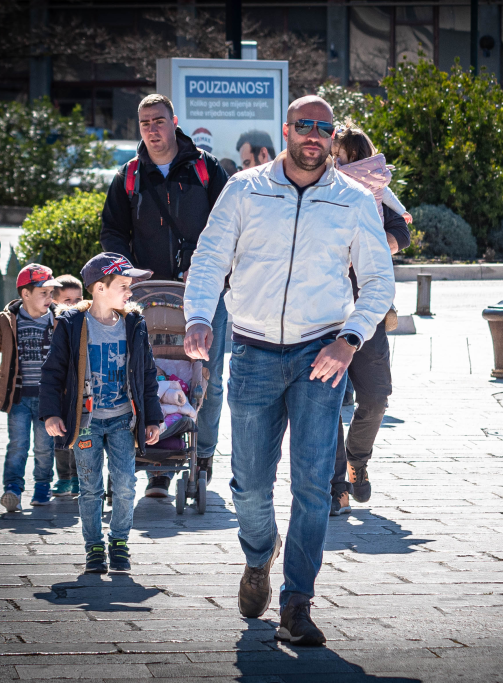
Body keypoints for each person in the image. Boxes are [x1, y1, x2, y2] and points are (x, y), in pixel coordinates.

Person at [184, 95, 394, 646]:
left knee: (312, 485)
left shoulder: (354, 199)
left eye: (324, 128)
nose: (314, 135)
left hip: (320, 355)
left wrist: (350, 339)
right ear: (287, 130)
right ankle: (259, 555)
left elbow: (379, 281)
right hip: (252, 353)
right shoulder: (244, 189)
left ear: (333, 137)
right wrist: (199, 317)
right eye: (305, 125)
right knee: (250, 484)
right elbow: (209, 259)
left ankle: (296, 602)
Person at [100, 94, 229, 499]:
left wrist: (209, 268)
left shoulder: (206, 169)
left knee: (207, 380)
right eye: (145, 123)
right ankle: (158, 463)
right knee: (148, 377)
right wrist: (127, 273)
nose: (152, 130)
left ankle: (201, 455)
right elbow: (113, 232)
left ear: (174, 122)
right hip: (147, 296)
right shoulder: (128, 175)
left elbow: (232, 226)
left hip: (203, 293)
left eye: (159, 121)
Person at [40, 253, 162, 574]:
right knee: (90, 487)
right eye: (123, 285)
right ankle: (94, 546)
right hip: (86, 423)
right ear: (99, 288)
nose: (130, 292)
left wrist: (152, 418)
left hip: (123, 420)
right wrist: (51, 413)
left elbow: (147, 374)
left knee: (125, 485)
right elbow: (53, 372)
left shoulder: (134, 323)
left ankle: (118, 541)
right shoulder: (72, 325)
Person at [327, 125, 411, 515]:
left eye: (345, 157)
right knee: (325, 403)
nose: (339, 163)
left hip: (368, 312)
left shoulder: (374, 190)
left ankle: (356, 460)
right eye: (336, 157)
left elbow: (401, 232)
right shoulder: (321, 187)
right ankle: (335, 486)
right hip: (324, 312)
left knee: (376, 398)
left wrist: (373, 246)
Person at [0, 263, 62, 512]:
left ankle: (43, 487)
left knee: (44, 447)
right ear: (26, 294)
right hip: (19, 397)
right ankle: (12, 488)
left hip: (49, 399)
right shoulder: (7, 320)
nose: (49, 298)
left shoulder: (59, 319)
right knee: (17, 445)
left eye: (51, 293)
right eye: (43, 292)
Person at [51, 274, 83, 498]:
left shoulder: (86, 320)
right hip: (59, 389)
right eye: (67, 300)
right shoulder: (54, 324)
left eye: (77, 299)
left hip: (81, 389)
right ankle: (64, 478)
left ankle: (80, 477)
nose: (73, 305)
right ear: (55, 302)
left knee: (82, 435)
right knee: (60, 437)